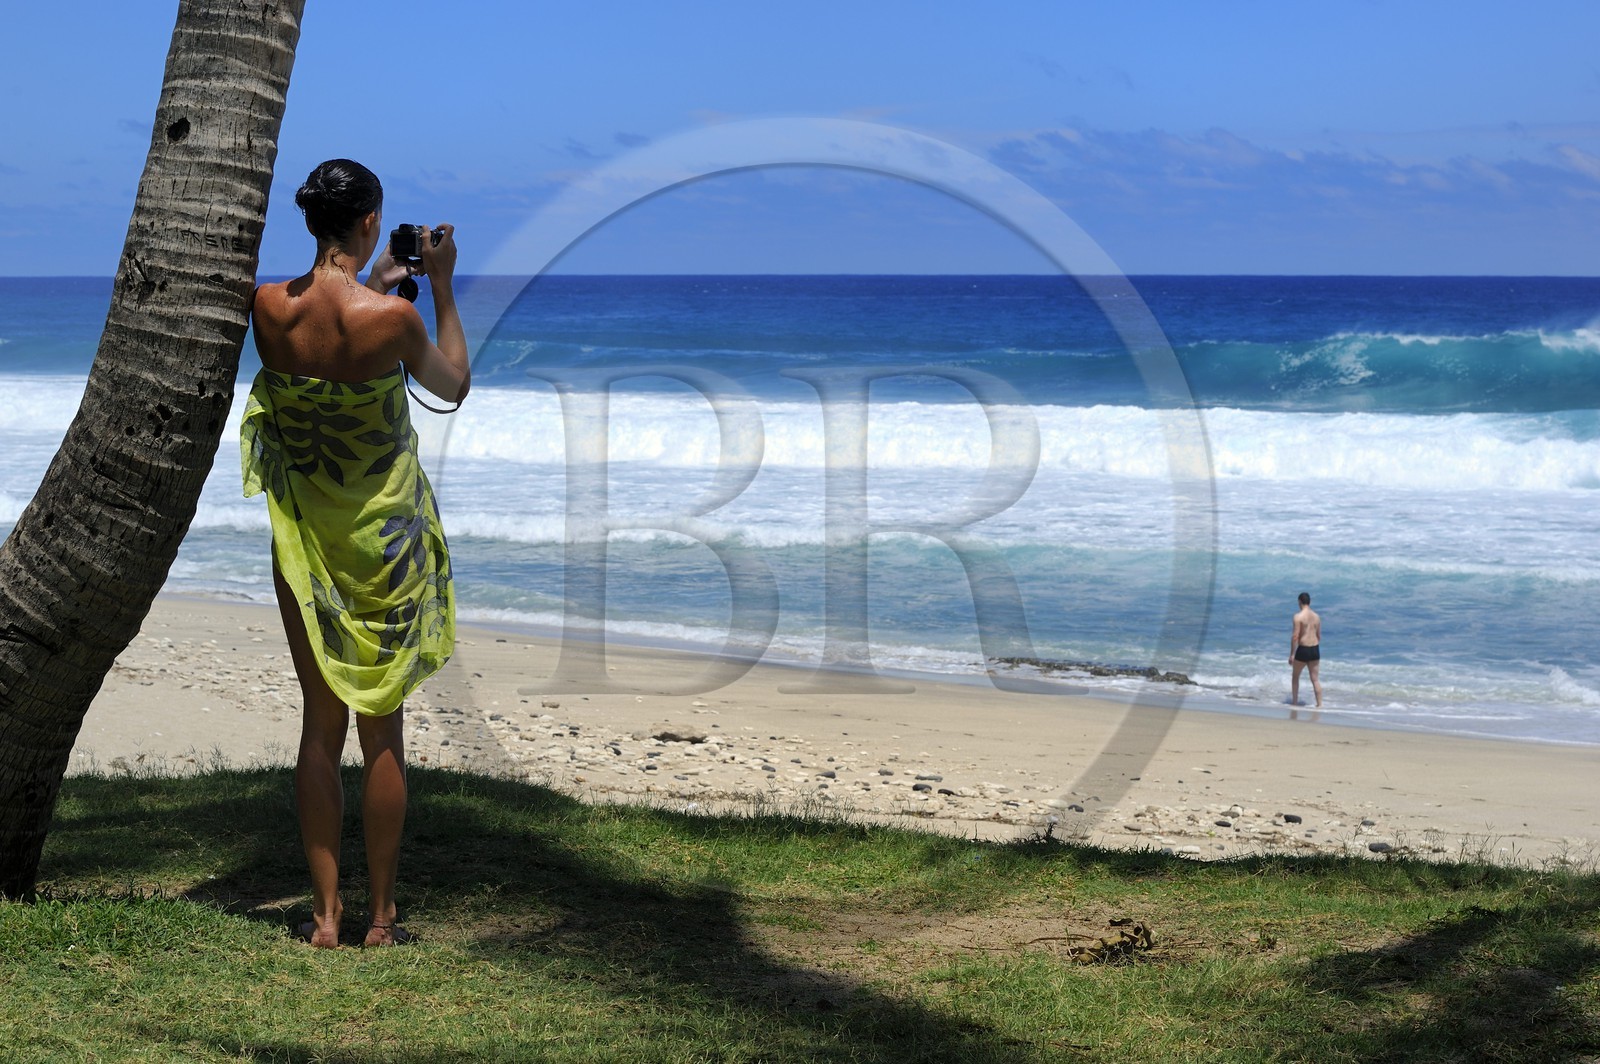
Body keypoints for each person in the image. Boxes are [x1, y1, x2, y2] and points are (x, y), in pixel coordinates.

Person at [241, 159, 469, 947]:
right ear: (371, 220)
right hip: (382, 544)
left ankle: (325, 915)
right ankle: (380, 917)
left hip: (304, 538)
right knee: (382, 730)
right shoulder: (392, 321)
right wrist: (436, 284)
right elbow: (452, 384)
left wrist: (374, 277)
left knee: (318, 725)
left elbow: (322, 338)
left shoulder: (267, 308)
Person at [1290, 591, 1322, 709]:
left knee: (1295, 677)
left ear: (1299, 602)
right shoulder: (1317, 617)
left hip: (1303, 649)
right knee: (1315, 680)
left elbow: (1295, 637)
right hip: (1314, 649)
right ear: (1309, 602)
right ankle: (1320, 705)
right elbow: (1319, 636)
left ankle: (1294, 703)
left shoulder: (1298, 617)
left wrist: (1292, 654)